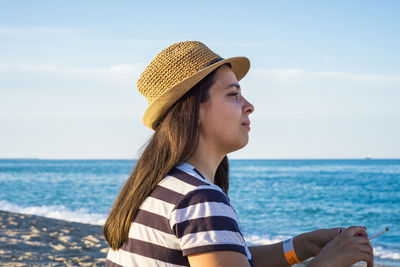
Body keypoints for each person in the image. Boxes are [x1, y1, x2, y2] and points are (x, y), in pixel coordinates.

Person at [104, 41, 374, 267]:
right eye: (233, 94)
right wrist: (326, 263)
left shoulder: (162, 187)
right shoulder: (198, 199)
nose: (250, 106)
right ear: (194, 109)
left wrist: (301, 246)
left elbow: (225, 256)